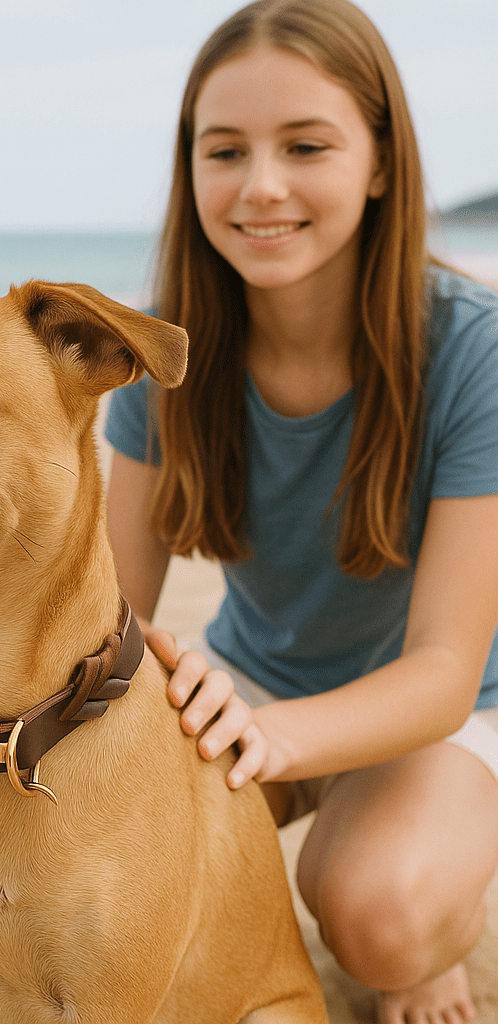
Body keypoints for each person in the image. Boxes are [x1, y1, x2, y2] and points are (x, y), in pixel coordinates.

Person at [103, 1, 498, 1021]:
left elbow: (444, 674)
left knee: (379, 917)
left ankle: (428, 911)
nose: (260, 186)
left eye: (306, 145)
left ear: (377, 163)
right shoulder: (167, 355)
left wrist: (267, 741)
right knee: (110, 884)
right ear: (190, 171)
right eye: (224, 150)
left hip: (451, 708)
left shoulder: (472, 350)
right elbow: (105, 622)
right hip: (257, 678)